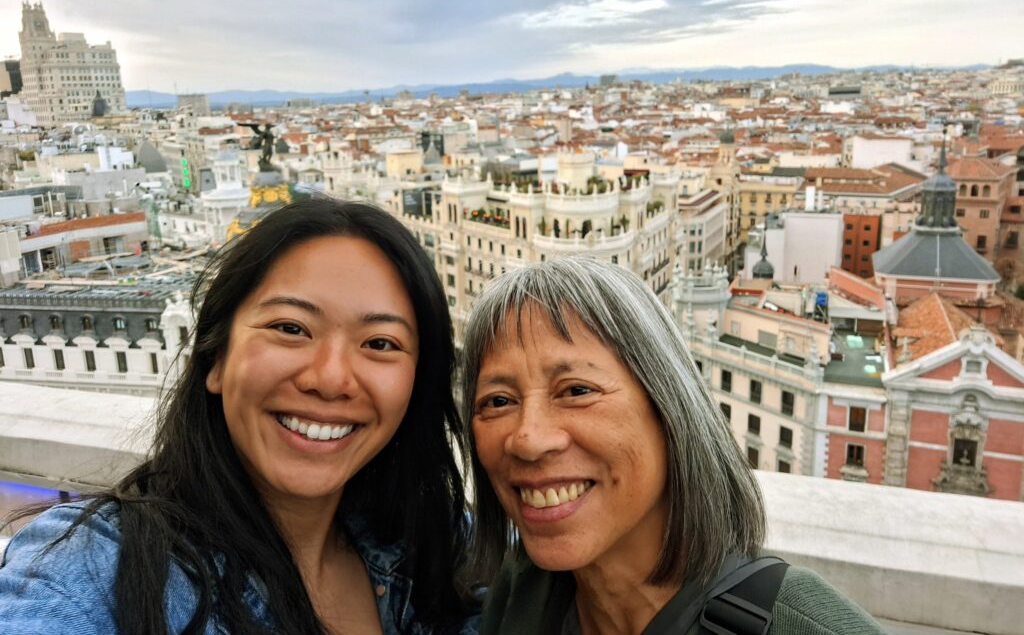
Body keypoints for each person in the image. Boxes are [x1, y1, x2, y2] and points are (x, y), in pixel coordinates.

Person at [0, 199, 477, 634]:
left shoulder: (434, 543)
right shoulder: (93, 570)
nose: (331, 379)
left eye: (379, 343)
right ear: (214, 360)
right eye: (290, 328)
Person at [460, 256, 885, 635]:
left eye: (576, 390)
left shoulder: (808, 626)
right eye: (498, 401)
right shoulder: (522, 590)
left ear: (669, 410)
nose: (529, 440)